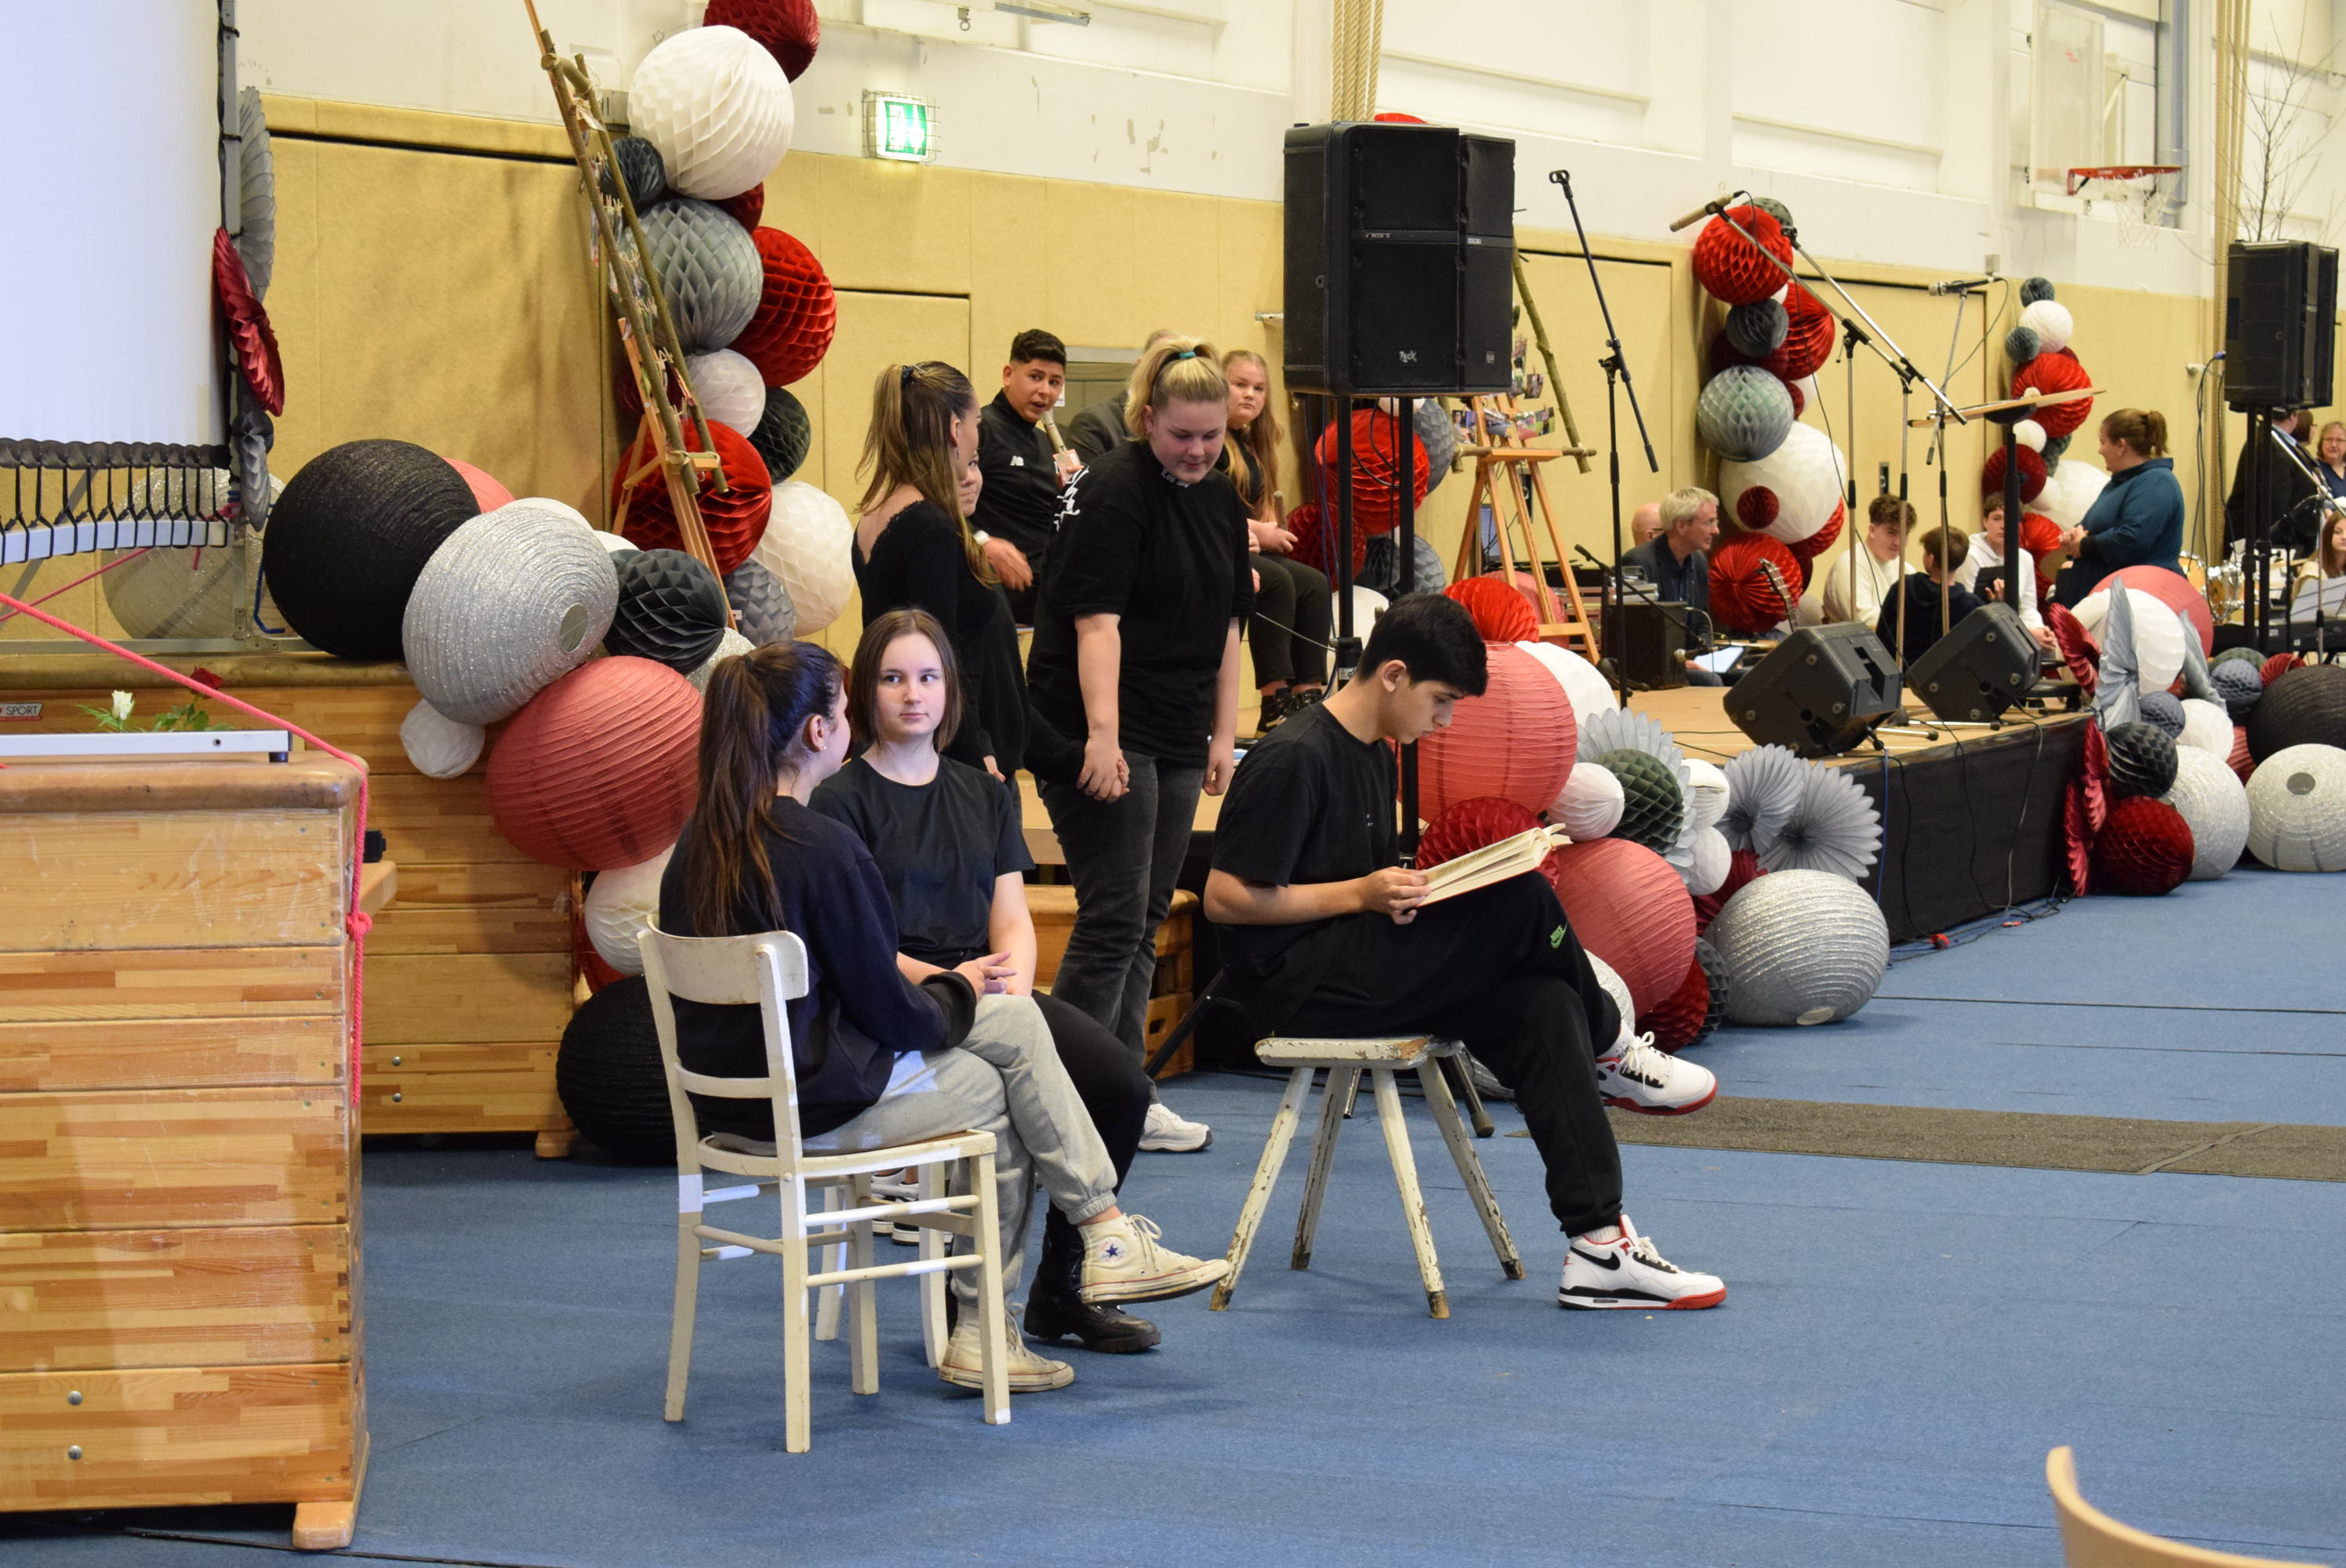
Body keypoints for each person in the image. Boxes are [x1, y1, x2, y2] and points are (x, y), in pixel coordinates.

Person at [656, 641, 1229, 1393]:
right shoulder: (823, 848)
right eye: (847, 705)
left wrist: (964, 995)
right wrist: (959, 989)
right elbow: (893, 1015)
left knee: (1014, 1030)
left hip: (730, 1106)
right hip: (816, 1107)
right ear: (820, 731)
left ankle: (1100, 1242)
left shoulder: (695, 846)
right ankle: (1007, 1315)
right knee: (1005, 1092)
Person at [1203, 593, 1727, 1312]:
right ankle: (1611, 1044)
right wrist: (1360, 893)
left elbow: (1359, 889)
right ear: (1393, 676)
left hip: (1358, 957)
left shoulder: (1373, 750)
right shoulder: (1294, 757)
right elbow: (1226, 898)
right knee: (1524, 899)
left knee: (1544, 1004)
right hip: (1297, 983)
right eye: (1441, 701)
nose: (1445, 721)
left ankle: (1600, 1247)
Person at [812, 611, 1162, 1354]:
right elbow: (860, 948)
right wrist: (955, 984)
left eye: (927, 677)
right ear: (865, 690)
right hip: (902, 996)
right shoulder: (840, 799)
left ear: (950, 691)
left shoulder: (985, 793)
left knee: (1120, 1087)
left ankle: (1067, 1288)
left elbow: (1012, 917)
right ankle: (975, 1298)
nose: (913, 694)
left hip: (990, 987)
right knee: (1010, 1093)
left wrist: (1013, 986)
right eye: (893, 678)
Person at [1026, 336, 1254, 1153]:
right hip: (1099, 719)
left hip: (1178, 723)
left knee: (1148, 912)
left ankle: (1122, 1090)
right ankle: (1059, 1097)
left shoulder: (1221, 497)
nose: (1196, 451)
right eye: (1180, 435)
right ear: (1148, 418)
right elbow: (1096, 624)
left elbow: (1229, 626)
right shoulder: (1113, 488)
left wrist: (1224, 733)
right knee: (1114, 915)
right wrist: (1101, 738)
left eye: (1211, 436)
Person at [851, 361, 1030, 779]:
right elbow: (943, 660)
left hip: (901, 736)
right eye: (977, 423)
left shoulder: (876, 515)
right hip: (940, 752)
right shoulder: (930, 526)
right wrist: (974, 752)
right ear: (955, 429)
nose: (977, 436)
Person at [1222, 348, 1332, 735]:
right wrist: (1255, 531)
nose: (1249, 395)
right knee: (1275, 581)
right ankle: (1274, 701)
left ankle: (1308, 693)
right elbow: (1205, 509)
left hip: (1244, 544)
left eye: (1258, 388)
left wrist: (1266, 531)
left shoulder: (1252, 444)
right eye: (1240, 385)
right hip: (1217, 547)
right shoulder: (1212, 441)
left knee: (1314, 584)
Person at [971, 329, 1082, 624]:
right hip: (998, 603)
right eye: (1036, 377)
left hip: (1047, 601)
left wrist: (1073, 494)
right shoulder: (980, 430)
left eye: (1055, 382)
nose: (1045, 391)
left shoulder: (1049, 443)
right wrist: (982, 543)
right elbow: (940, 503)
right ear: (1008, 375)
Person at [2057, 408, 2188, 606]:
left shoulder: (2157, 481)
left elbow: (2133, 539)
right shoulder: (2118, 483)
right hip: (2106, 593)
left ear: (2121, 445)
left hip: (2141, 599)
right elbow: (2090, 527)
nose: (2100, 450)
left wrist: (2084, 545)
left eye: (2103, 442)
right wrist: (2073, 538)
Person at [1621, 486, 1721, 684]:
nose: (1716, 530)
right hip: (1654, 669)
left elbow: (1703, 623)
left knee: (1748, 676)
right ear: (1682, 526)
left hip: (1689, 662)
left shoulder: (1699, 561)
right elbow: (1637, 637)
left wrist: (1708, 654)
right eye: (1709, 522)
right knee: (1711, 681)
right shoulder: (1638, 562)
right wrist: (1681, 663)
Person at [1064, 328, 1180, 464]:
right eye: (1165, 367)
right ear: (1140, 367)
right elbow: (1075, 477)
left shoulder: (1187, 428)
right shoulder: (1092, 423)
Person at [1954, 501, 2054, 652]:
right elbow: (1970, 614)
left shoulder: (2025, 558)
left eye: (2010, 519)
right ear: (1985, 521)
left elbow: (2027, 607)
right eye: (1997, 518)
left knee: (2049, 647)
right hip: (1981, 638)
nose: (2003, 526)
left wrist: (2039, 630)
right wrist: (2026, 635)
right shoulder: (1971, 556)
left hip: (2015, 631)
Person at [1876, 524, 1983, 664]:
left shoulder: (1903, 587)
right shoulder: (1970, 605)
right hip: (1940, 675)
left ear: (1930, 559)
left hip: (1896, 670)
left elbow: (1881, 635)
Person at [2224, 406, 2322, 557]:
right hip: (2275, 548)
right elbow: (2276, 504)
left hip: (2269, 542)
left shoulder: (2271, 440)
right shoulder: (2273, 445)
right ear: (2293, 416)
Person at [1798, 495, 1907, 629]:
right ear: (1872, 530)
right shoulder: (1850, 566)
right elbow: (1865, 621)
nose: (1898, 542)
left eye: (1904, 535)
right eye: (1891, 533)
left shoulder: (1903, 567)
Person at [2317, 421, 2346, 500]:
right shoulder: (2314, 468)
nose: (2333, 445)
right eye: (2329, 439)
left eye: (2339, 440)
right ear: (2321, 443)